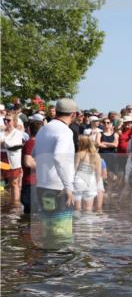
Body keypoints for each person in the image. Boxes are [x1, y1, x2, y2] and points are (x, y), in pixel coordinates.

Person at [32, 98, 78, 240]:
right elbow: (59, 157)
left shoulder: (43, 129)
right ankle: (59, 261)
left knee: (48, 231)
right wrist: (68, 186)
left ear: (56, 111)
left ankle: (47, 261)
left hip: (42, 186)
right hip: (59, 188)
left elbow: (34, 153)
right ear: (73, 115)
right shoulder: (65, 131)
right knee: (61, 234)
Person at [2, 113, 25, 208]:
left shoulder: (18, 133)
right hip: (2, 160)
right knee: (4, 182)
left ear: (14, 122)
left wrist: (3, 142)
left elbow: (12, 145)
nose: (6, 122)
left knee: (14, 183)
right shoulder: (1, 132)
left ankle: (15, 205)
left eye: (8, 120)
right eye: (5, 120)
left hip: (12, 161)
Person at [72, 136, 101, 212]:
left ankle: (78, 223)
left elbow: (74, 170)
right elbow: (98, 172)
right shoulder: (96, 155)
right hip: (91, 181)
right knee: (88, 209)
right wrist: (96, 183)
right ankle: (87, 223)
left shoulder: (79, 154)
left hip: (79, 179)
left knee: (77, 209)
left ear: (82, 143)